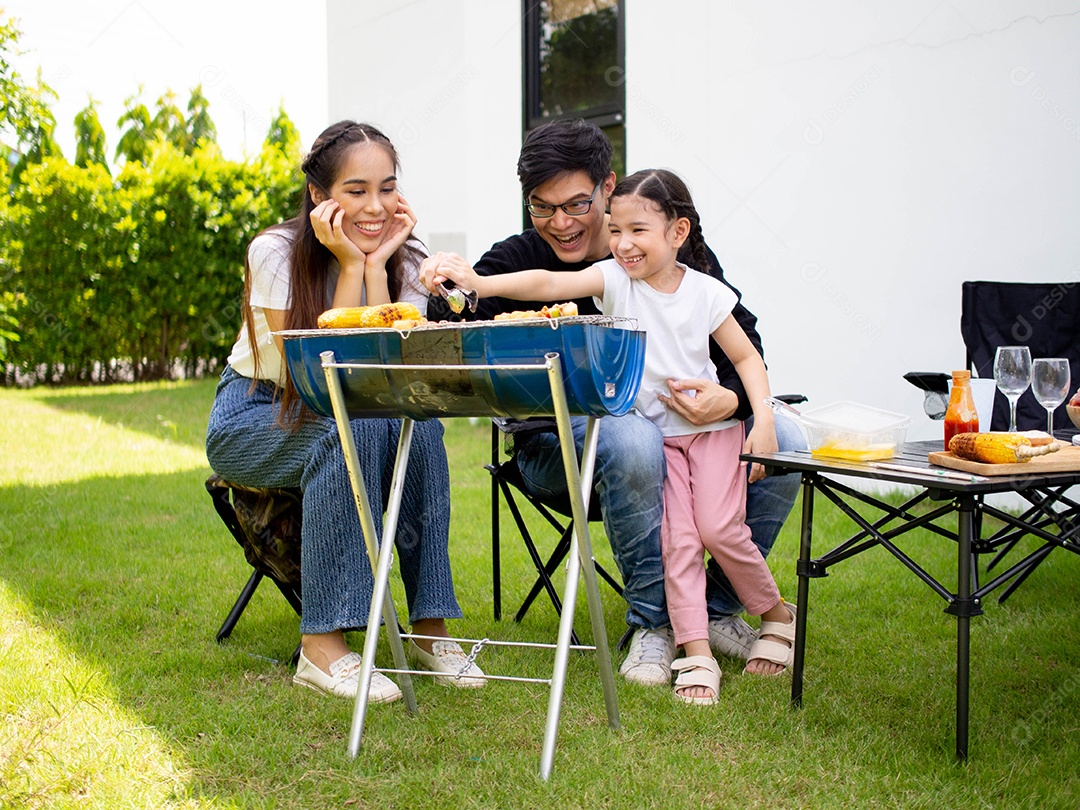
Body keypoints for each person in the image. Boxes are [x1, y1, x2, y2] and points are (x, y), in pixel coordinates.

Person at [423, 119, 806, 689]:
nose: (561, 223)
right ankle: (654, 623)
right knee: (630, 434)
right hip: (557, 449)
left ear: (608, 187)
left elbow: (742, 349)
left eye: (577, 204)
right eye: (542, 207)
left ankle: (716, 609)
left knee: (790, 441)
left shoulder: (669, 252)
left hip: (688, 438)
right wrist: (455, 282)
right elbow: (459, 315)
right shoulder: (525, 256)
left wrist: (734, 403)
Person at [205, 120, 484, 703]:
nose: (375, 206)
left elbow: (384, 380)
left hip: (347, 409)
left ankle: (429, 630)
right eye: (356, 191)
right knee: (340, 433)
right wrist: (352, 267)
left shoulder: (407, 258)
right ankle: (322, 646)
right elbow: (322, 375)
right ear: (319, 195)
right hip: (255, 414)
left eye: (387, 187)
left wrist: (380, 265)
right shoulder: (276, 251)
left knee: (416, 425)